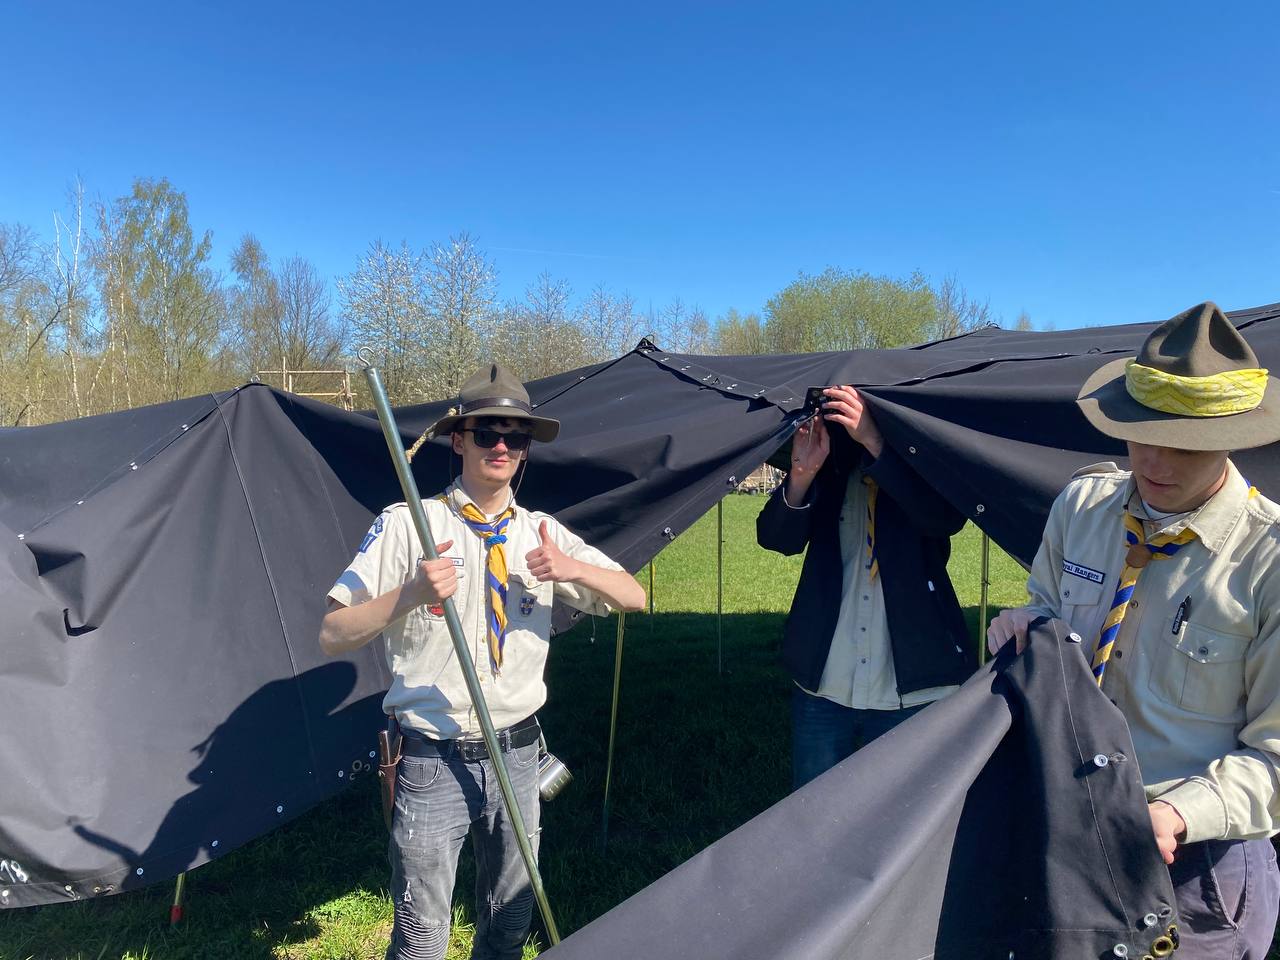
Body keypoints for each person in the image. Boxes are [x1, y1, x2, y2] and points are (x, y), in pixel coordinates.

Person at [318, 363, 645, 960]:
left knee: (509, 922)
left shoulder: (541, 533)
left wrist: (572, 568)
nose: (501, 447)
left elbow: (633, 597)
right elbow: (333, 634)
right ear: (458, 440)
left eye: (515, 438)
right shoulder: (408, 525)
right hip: (432, 758)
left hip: (518, 754)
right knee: (421, 938)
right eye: (487, 432)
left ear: (525, 451)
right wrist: (410, 593)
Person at [987, 302, 1280, 959]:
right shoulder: (1082, 505)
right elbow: (1048, 610)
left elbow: (1276, 758)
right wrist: (1028, 627)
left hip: (1198, 869)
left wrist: (1177, 814)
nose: (1155, 460)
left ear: (1232, 437)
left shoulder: (1269, 560)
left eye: (1185, 443)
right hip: (1065, 829)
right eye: (1140, 432)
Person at [758, 384, 974, 789]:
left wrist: (876, 442)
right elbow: (776, 538)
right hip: (825, 683)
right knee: (815, 807)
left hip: (910, 684)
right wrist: (802, 473)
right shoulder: (833, 469)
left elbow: (942, 519)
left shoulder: (924, 464)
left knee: (902, 813)